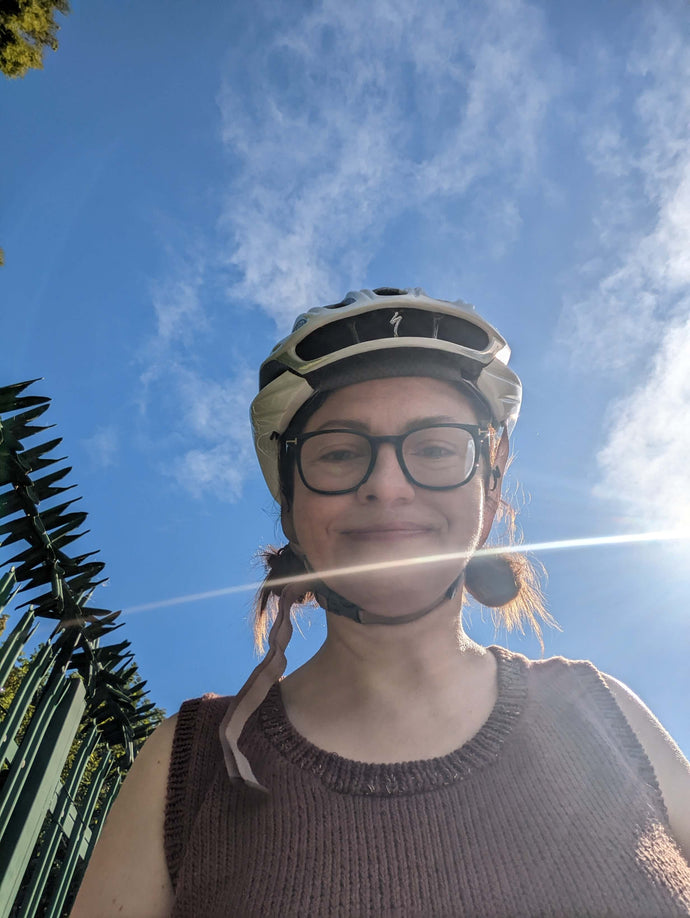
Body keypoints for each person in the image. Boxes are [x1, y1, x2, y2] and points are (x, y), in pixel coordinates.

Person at [71, 288, 690, 918]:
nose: (387, 486)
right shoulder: (188, 761)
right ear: (290, 506)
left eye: (436, 449)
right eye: (339, 453)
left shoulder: (602, 712)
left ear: (490, 487)